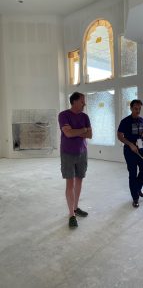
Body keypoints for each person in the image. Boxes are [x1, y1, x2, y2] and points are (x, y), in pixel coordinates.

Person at [58, 92, 92, 228]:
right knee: (70, 184)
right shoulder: (63, 115)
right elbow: (68, 133)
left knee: (79, 180)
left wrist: (77, 131)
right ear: (75, 101)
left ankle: (76, 208)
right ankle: (71, 214)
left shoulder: (85, 116)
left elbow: (90, 134)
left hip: (82, 152)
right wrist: (82, 129)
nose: (84, 103)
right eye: (82, 101)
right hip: (68, 153)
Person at [117, 99, 143, 208]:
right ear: (131, 108)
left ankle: (137, 189)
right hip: (129, 150)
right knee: (133, 173)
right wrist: (130, 144)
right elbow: (120, 136)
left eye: (139, 109)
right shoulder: (125, 121)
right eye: (136, 108)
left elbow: (142, 132)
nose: (138, 111)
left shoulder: (141, 119)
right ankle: (135, 198)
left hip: (140, 147)